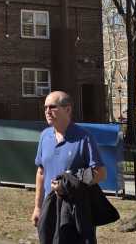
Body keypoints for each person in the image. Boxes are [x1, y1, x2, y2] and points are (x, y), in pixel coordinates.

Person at [31, 91, 107, 242]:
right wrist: (37, 207)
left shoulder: (84, 137)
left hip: (76, 211)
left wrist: (69, 183)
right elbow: (41, 172)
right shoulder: (45, 136)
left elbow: (100, 173)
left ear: (67, 109)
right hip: (50, 208)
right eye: (45, 107)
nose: (47, 111)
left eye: (52, 107)